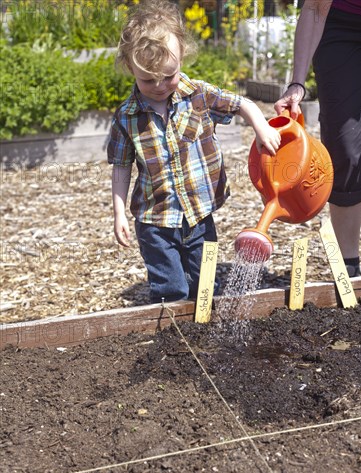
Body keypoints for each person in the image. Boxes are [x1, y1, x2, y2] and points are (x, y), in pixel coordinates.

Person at [108, 0, 281, 303]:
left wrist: (261, 126)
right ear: (129, 67)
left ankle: (201, 327)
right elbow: (121, 167)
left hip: (200, 215)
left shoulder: (199, 95)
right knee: (170, 290)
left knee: (206, 285)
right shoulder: (127, 116)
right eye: (148, 79)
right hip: (155, 221)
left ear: (183, 57)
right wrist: (118, 212)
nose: (160, 85)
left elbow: (241, 103)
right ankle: (173, 335)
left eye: (169, 75)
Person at [274, 0, 361, 277]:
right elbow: (315, 9)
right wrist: (297, 84)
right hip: (341, 26)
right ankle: (348, 267)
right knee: (345, 147)